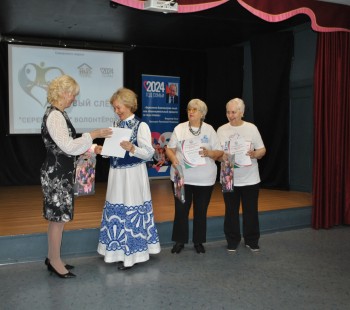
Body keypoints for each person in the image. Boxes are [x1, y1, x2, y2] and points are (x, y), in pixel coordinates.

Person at [40, 74, 112, 278]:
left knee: (58, 219)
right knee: (57, 219)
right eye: (73, 94)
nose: (74, 99)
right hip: (57, 174)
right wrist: (94, 133)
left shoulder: (59, 113)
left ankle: (52, 257)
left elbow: (68, 146)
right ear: (63, 92)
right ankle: (54, 261)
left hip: (60, 172)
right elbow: (68, 146)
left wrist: (91, 147)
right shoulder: (55, 116)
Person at [96, 87, 161, 270]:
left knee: (131, 209)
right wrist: (104, 151)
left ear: (129, 105)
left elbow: (149, 154)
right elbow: (113, 150)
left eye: (119, 107)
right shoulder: (115, 125)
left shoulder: (141, 126)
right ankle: (116, 251)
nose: (117, 111)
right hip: (116, 175)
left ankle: (132, 255)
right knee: (117, 210)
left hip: (133, 175)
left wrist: (132, 148)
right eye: (115, 108)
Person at [166, 99, 223, 254]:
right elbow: (169, 149)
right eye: (189, 109)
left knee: (201, 211)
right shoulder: (179, 128)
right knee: (180, 210)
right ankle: (179, 241)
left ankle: (199, 242)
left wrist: (209, 153)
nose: (191, 112)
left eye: (195, 110)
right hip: (181, 177)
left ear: (202, 113)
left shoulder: (210, 130)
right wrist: (173, 159)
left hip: (204, 179)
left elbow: (219, 153)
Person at [217, 98, 266, 252]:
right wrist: (221, 157)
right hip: (228, 176)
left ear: (242, 112)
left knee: (251, 211)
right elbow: (217, 154)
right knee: (230, 211)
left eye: (233, 112)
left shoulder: (252, 128)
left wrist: (254, 154)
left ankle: (251, 240)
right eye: (228, 112)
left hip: (250, 178)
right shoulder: (221, 130)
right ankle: (232, 240)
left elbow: (262, 150)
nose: (230, 116)